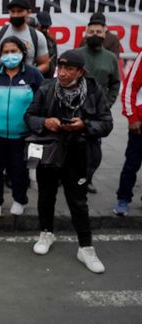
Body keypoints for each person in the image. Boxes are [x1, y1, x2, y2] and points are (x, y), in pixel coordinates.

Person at [25, 50, 112, 273]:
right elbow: (29, 116)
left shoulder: (94, 91)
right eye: (60, 67)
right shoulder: (47, 87)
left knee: (78, 201)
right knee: (46, 195)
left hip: (79, 155)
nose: (62, 73)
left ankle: (85, 247)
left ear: (80, 71)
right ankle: (46, 232)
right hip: (49, 153)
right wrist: (46, 122)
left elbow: (106, 123)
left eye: (69, 69)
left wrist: (84, 125)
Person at [0, 36, 43, 218]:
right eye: (6, 52)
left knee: (20, 169)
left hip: (23, 134)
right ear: (0, 55)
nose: (10, 55)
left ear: (22, 53)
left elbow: (43, 101)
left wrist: (39, 126)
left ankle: (20, 200)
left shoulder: (33, 75)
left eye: (14, 51)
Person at [76, 18, 120, 194]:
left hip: (97, 112)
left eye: (98, 32)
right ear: (85, 33)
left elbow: (115, 83)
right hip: (75, 107)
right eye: (91, 32)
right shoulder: (76, 54)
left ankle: (87, 179)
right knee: (70, 144)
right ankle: (65, 178)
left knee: (93, 149)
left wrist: (107, 104)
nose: (95, 35)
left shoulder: (111, 58)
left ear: (105, 33)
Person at [0, 0, 49, 75]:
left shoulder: (38, 37)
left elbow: (45, 64)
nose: (16, 15)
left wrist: (30, 75)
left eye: (20, 11)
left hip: (25, 84)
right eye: (12, 11)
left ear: (28, 12)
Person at [113, 51, 142, 216]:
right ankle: (123, 199)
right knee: (132, 163)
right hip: (140, 124)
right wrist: (132, 118)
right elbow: (130, 87)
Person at [36, 12, 57, 79]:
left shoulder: (51, 40)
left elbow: (54, 59)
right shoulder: (31, 37)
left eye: (46, 27)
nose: (44, 29)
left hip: (47, 76)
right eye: (42, 26)